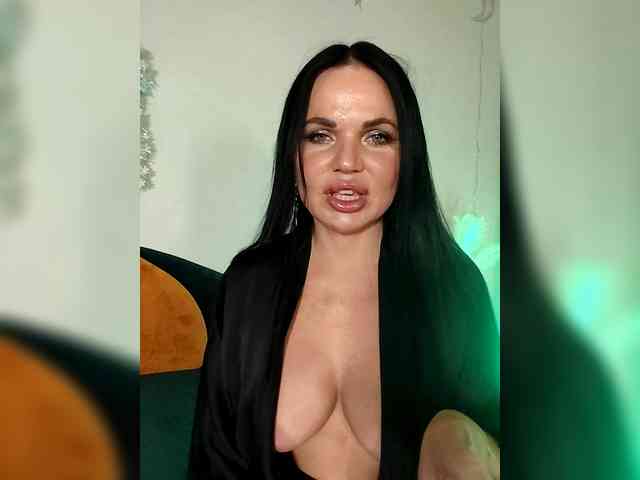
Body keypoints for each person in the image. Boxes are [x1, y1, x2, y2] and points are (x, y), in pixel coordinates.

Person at [189, 41, 500, 479]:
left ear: (406, 155)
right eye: (321, 135)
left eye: (377, 137)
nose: (347, 163)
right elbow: (212, 464)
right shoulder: (249, 283)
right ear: (293, 154)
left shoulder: (453, 290)